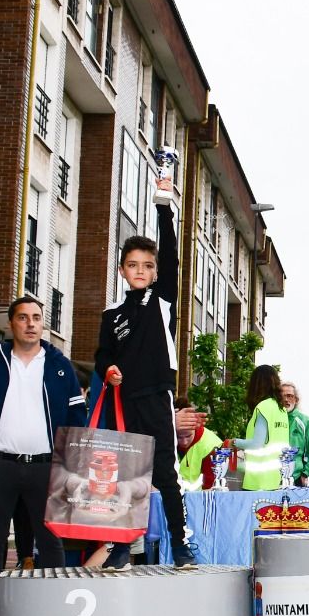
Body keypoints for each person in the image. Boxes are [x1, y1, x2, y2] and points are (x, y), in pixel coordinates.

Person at [0, 297, 88, 616]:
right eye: (23, 318)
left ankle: (53, 610)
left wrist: (68, 467)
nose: (30, 323)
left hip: (46, 468)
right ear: (11, 324)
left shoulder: (60, 365)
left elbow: (78, 419)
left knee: (50, 542)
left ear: (42, 324)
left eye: (36, 317)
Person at [95, 205, 195, 569]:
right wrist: (108, 370)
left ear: (155, 273)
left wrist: (165, 208)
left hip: (156, 396)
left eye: (148, 266)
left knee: (166, 475)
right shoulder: (111, 313)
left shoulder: (162, 300)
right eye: (133, 265)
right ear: (122, 270)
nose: (141, 271)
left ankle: (182, 547)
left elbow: (171, 257)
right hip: (123, 403)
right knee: (126, 478)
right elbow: (102, 354)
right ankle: (122, 547)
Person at [237, 364, 289, 491]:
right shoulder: (281, 410)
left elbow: (257, 444)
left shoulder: (263, 407)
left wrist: (233, 442)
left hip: (257, 481)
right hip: (277, 479)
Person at [280, 381, 309, 485]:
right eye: (282, 396)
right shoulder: (271, 420)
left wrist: (305, 473)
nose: (286, 399)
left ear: (296, 400)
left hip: (296, 479)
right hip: (273, 479)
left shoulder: (306, 422)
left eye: (289, 396)